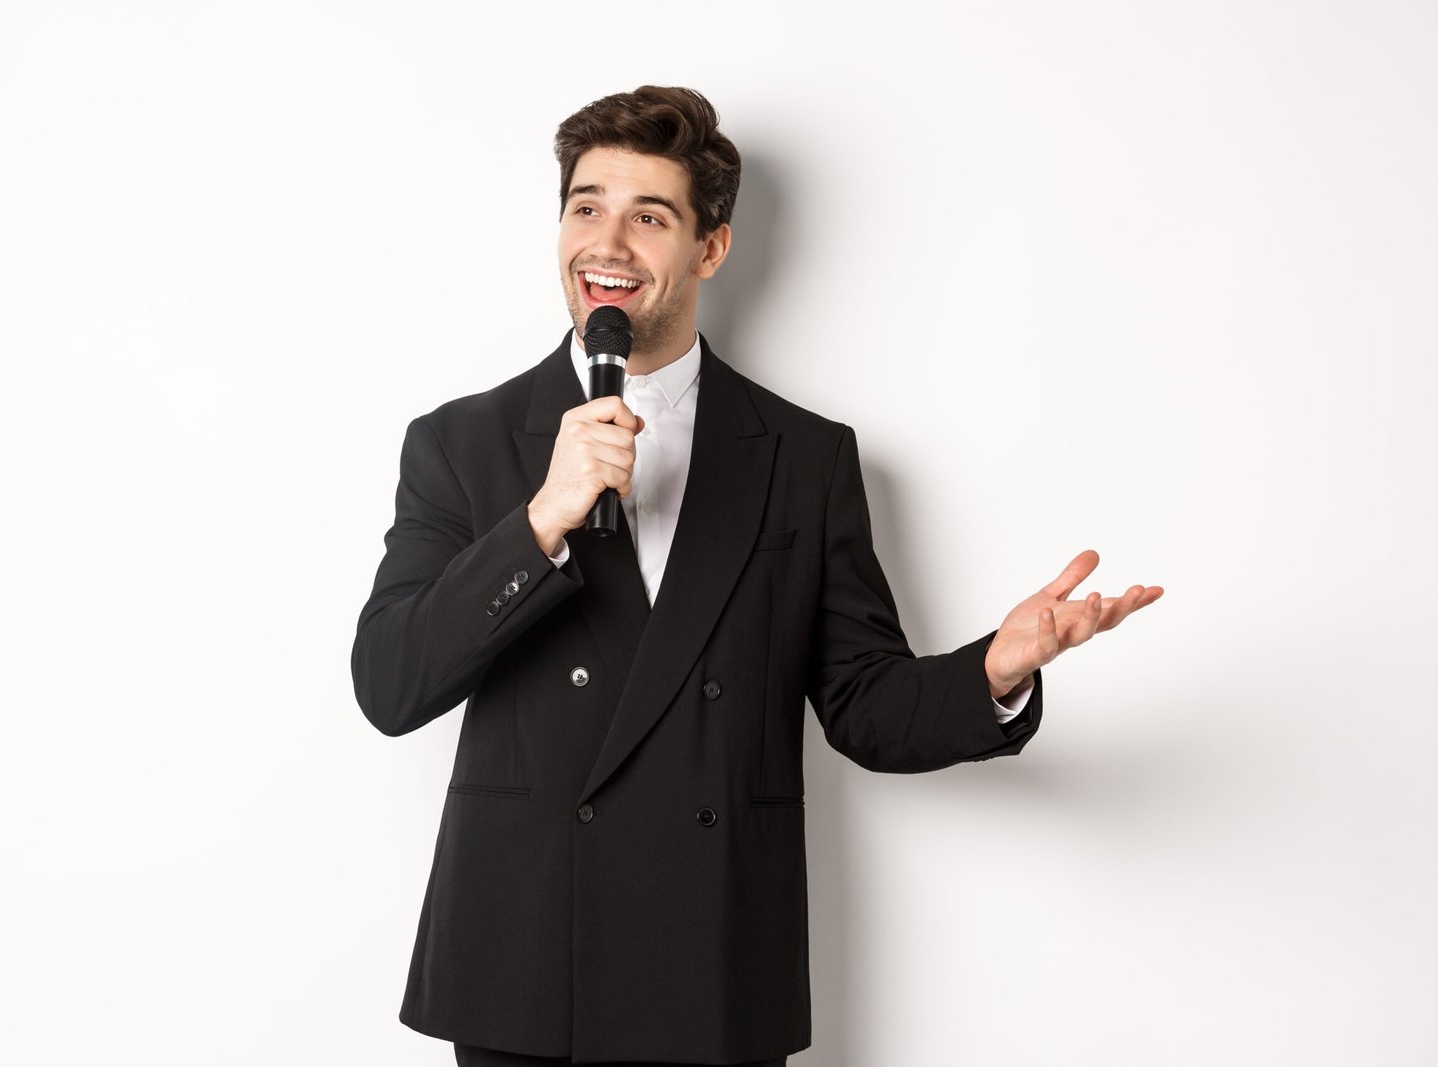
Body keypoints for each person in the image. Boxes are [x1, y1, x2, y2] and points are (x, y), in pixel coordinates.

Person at [351, 85, 1162, 1067]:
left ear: (710, 248)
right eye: (585, 206)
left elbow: (864, 704)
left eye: (649, 216)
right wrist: (539, 523)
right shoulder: (461, 443)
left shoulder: (801, 456)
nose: (606, 243)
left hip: (714, 958)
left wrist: (997, 665)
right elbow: (391, 684)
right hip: (525, 972)